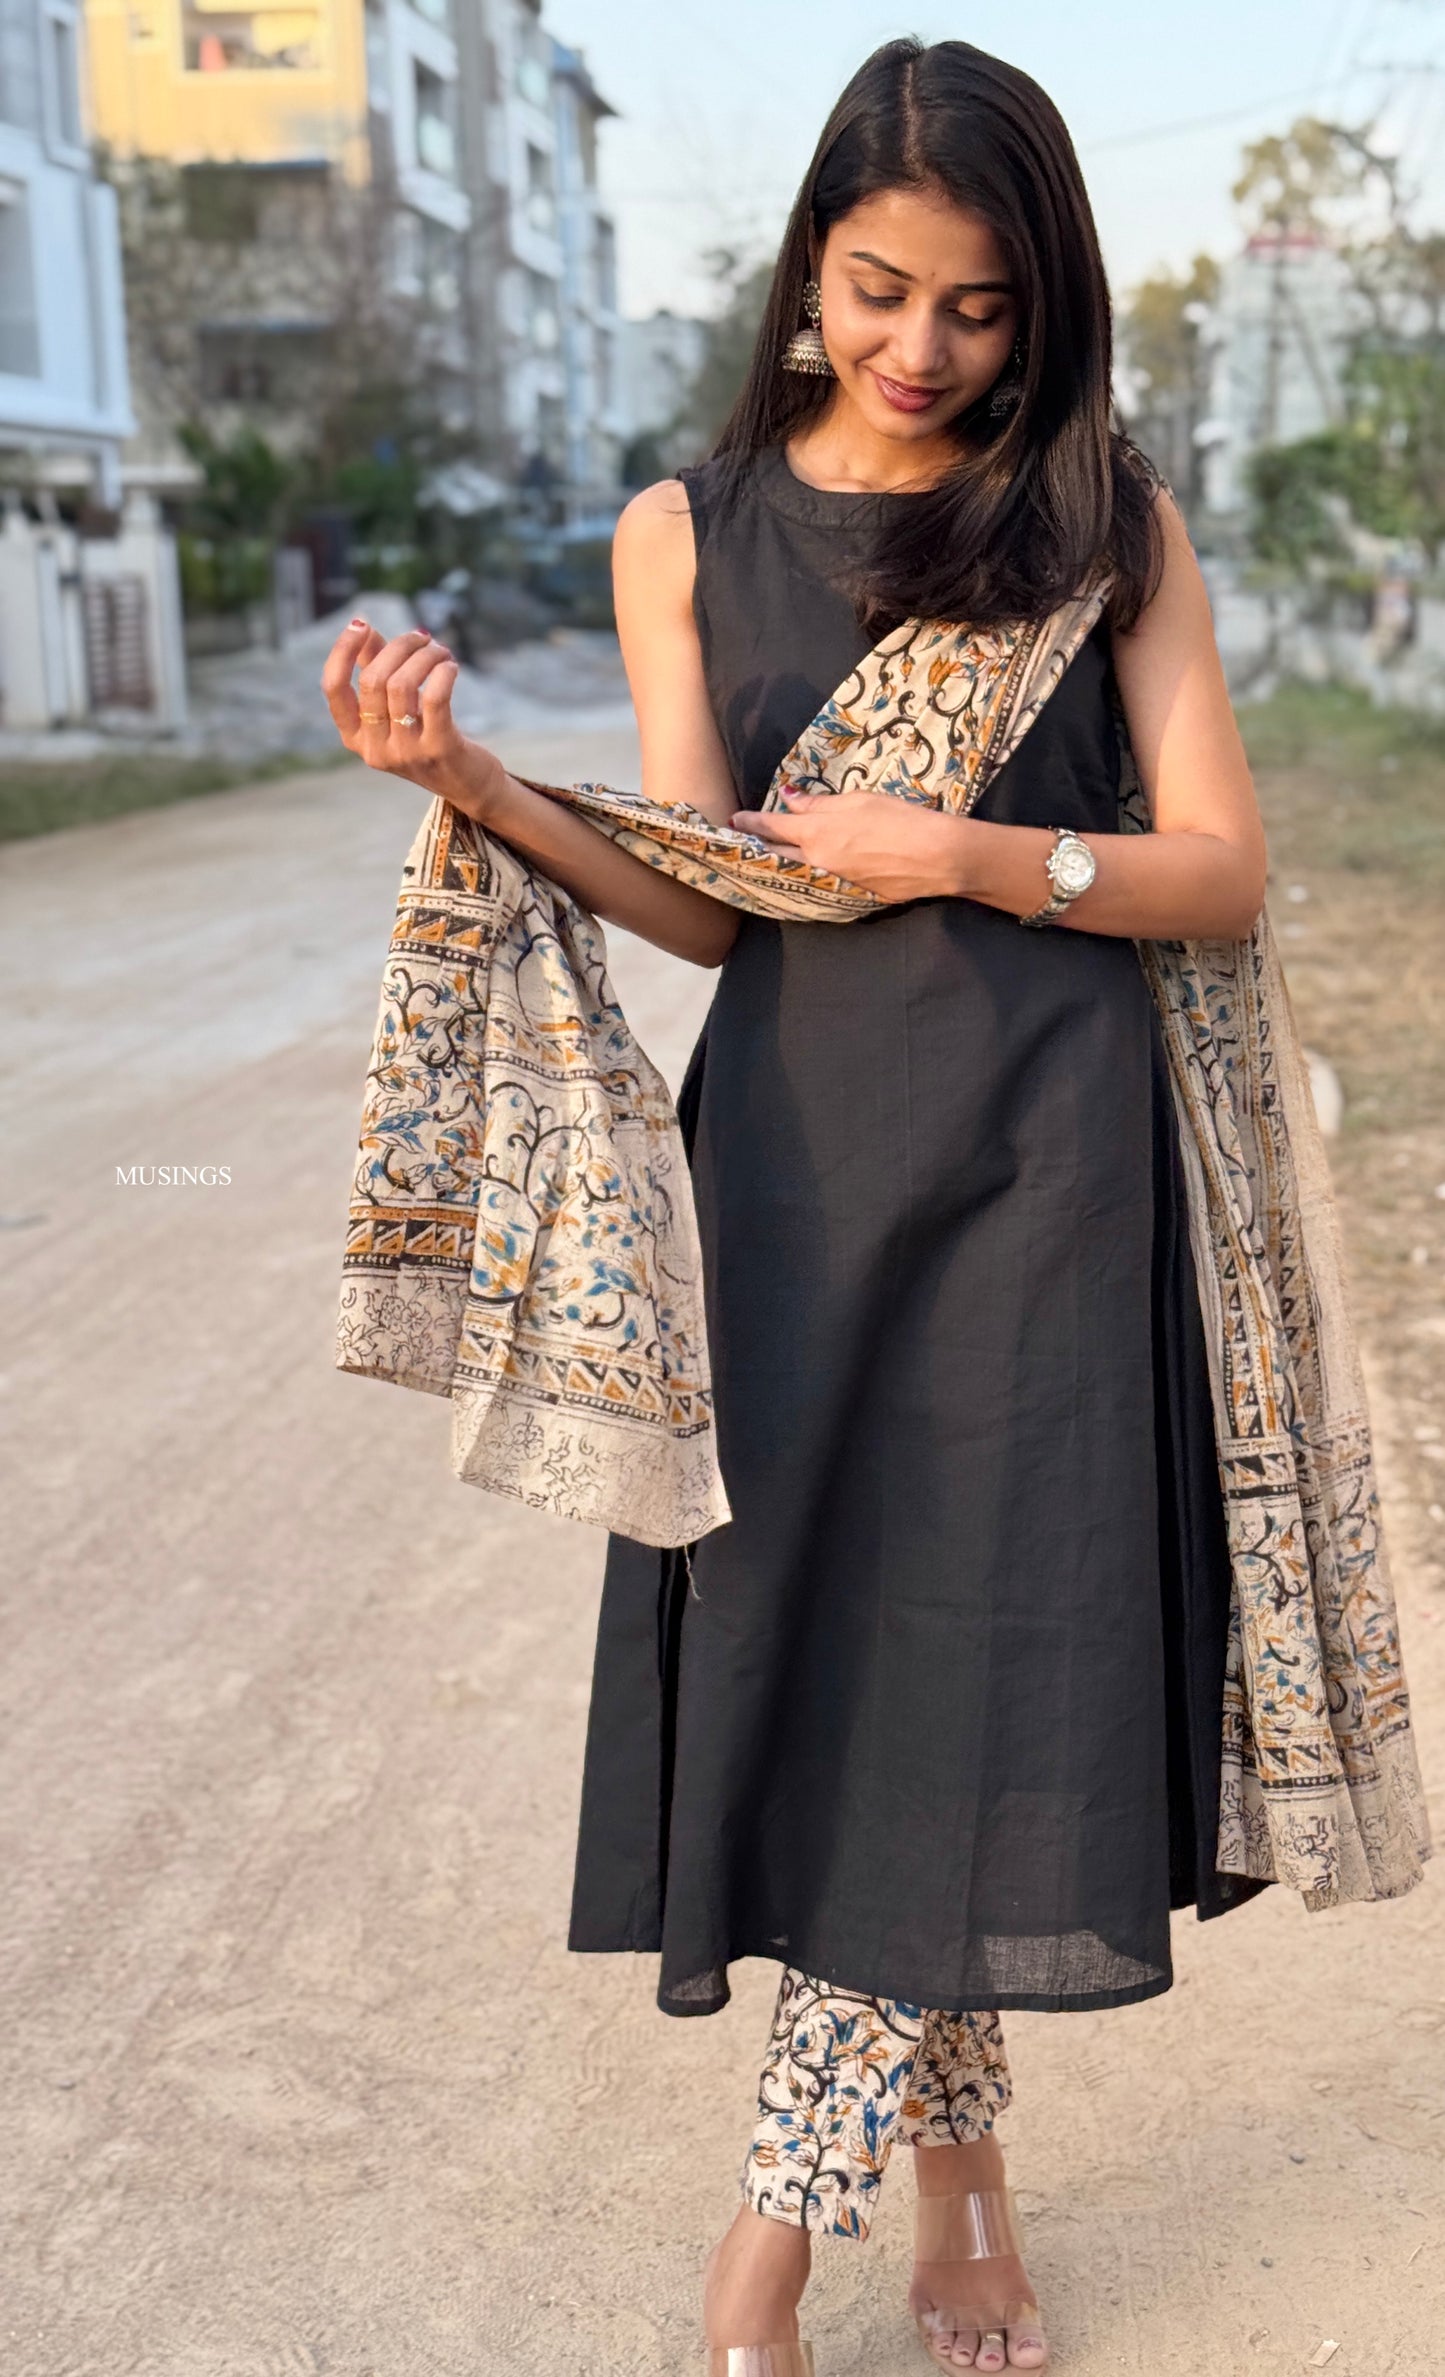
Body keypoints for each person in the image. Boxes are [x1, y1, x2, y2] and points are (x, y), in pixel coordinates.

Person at [324, 37, 1305, 2376]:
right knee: (868, 1677)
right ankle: (962, 2177)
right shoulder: (686, 529)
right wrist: (465, 774)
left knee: (966, 1674)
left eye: (979, 308)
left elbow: (1227, 873)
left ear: (1042, 307)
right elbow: (703, 908)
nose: (923, 349)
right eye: (882, 291)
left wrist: (963, 850)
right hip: (794, 1182)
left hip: (1056, 1187)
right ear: (808, 273)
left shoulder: (1107, 526)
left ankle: (771, 2236)